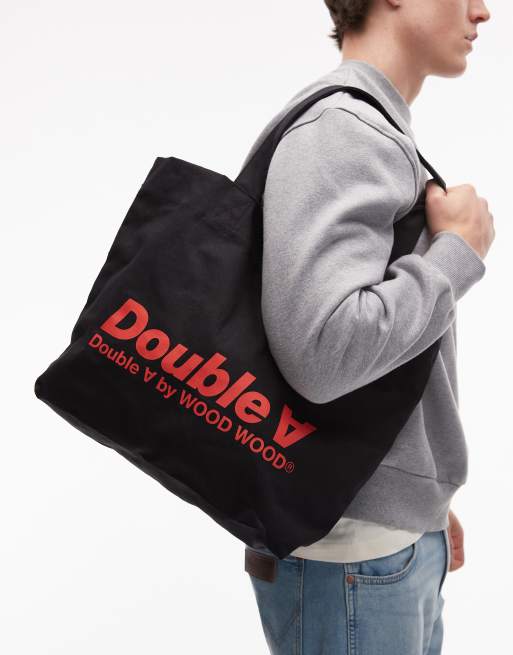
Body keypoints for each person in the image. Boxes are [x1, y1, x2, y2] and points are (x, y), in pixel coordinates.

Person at [241, 1, 494, 653]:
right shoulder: (345, 131)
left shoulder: (365, 125)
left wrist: (415, 493)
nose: (482, 11)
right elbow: (323, 352)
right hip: (351, 556)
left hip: (373, 539)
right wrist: (457, 253)